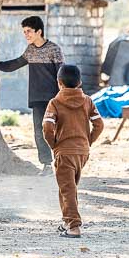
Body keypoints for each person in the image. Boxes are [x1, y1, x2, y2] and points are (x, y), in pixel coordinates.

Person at [0, 16, 64, 174]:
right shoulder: (30, 50)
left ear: (39, 31)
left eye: (29, 31)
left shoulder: (54, 49)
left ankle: (64, 162)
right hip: (37, 99)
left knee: (58, 131)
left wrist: (64, 96)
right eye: (24, 32)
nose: (26, 35)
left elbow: (62, 74)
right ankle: (47, 165)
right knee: (39, 132)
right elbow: (15, 64)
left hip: (55, 99)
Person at [42, 64, 104, 238]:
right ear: (80, 82)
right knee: (69, 187)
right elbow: (99, 124)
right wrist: (88, 141)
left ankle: (74, 226)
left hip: (64, 151)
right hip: (82, 152)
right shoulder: (87, 101)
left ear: (59, 83)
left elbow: (47, 127)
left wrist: (53, 144)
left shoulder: (54, 102)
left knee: (67, 189)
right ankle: (66, 221)